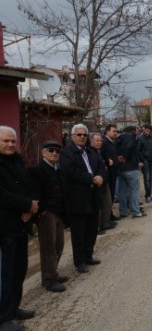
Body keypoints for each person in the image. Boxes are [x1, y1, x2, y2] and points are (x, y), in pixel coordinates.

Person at [0, 126, 38, 331]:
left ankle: (13, 308)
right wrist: (26, 204)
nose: (10, 144)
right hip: (4, 227)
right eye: (5, 141)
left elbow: (28, 186)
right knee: (5, 274)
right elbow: (2, 195)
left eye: (13, 141)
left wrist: (31, 206)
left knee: (19, 270)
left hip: (21, 225)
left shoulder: (18, 161)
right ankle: (3, 317)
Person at [60, 124, 107, 274]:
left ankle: (88, 256)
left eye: (84, 135)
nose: (82, 137)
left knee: (92, 230)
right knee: (79, 233)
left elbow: (101, 166)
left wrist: (100, 176)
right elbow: (70, 171)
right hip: (78, 199)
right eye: (79, 135)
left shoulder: (91, 151)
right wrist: (91, 179)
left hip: (94, 197)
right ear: (72, 136)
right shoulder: (67, 153)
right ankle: (79, 261)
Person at [27, 140, 69, 293]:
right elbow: (33, 192)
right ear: (43, 152)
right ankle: (49, 280)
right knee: (48, 247)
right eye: (51, 150)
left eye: (57, 151)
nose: (54, 153)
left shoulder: (58, 170)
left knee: (58, 245)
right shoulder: (36, 170)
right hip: (46, 213)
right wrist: (41, 211)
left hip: (59, 212)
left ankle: (53, 273)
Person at [116, 126, 146, 219]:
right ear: (133, 131)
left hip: (121, 169)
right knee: (134, 191)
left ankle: (123, 212)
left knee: (122, 192)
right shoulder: (131, 138)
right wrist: (125, 157)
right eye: (137, 130)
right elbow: (128, 147)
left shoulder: (118, 139)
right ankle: (135, 212)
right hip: (131, 168)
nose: (138, 132)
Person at [90, 133, 116, 235]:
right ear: (91, 141)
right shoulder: (89, 152)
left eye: (100, 141)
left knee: (107, 202)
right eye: (97, 141)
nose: (100, 142)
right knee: (99, 205)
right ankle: (97, 227)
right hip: (97, 182)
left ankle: (105, 223)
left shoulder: (99, 152)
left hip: (105, 180)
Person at [101, 124, 120, 222]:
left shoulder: (112, 142)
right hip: (108, 173)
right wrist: (107, 160)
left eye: (116, 131)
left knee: (111, 194)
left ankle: (110, 214)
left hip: (113, 172)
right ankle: (107, 216)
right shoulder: (104, 142)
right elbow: (101, 154)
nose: (116, 133)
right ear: (107, 131)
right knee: (109, 195)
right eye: (114, 131)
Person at [137, 125, 152, 203]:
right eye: (147, 131)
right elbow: (138, 151)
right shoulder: (140, 139)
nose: (148, 133)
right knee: (147, 179)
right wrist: (141, 160)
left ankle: (150, 194)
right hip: (145, 161)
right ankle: (147, 196)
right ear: (144, 130)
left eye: (149, 132)